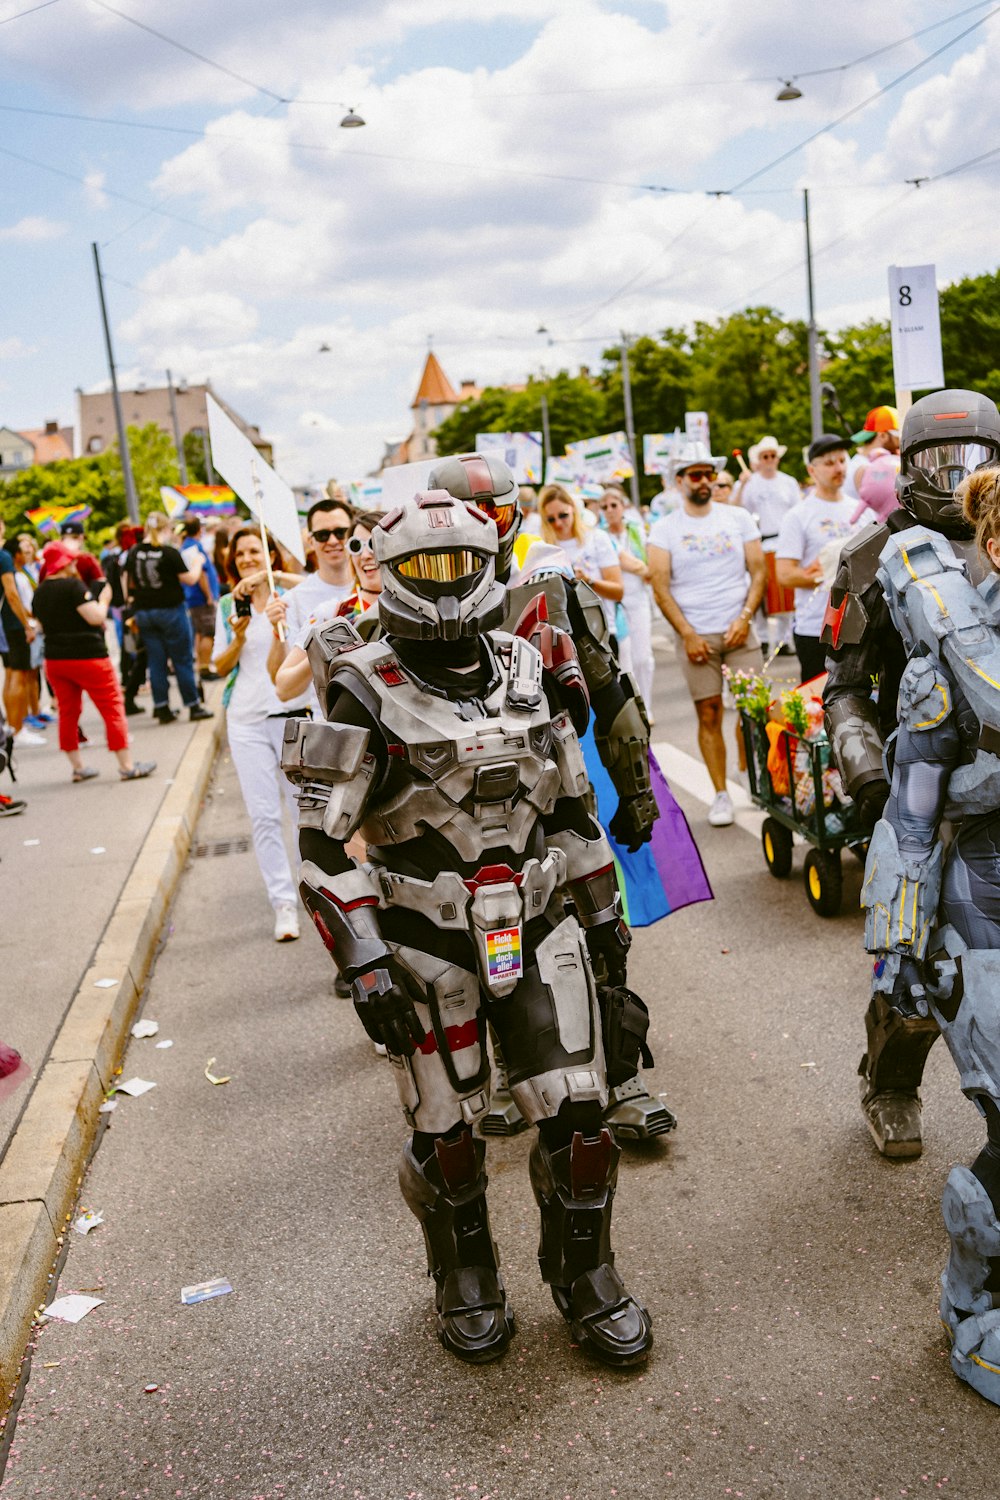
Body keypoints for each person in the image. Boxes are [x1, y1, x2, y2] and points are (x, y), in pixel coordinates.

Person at [283, 492, 654, 1368]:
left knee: (581, 1118)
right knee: (445, 1135)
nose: (447, 586)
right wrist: (364, 958)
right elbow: (320, 845)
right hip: (424, 943)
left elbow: (570, 811)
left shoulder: (527, 663)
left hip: (538, 923)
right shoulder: (360, 679)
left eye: (462, 564)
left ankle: (586, 1274)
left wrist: (609, 935)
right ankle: (465, 1273)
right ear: (394, 572)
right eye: (427, 567)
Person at [822, 389, 1000, 1162]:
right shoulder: (871, 554)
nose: (955, 474)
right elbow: (844, 686)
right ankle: (890, 1083)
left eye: (973, 459)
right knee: (916, 970)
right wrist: (864, 772)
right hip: (920, 771)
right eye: (938, 460)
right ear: (908, 465)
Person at [857, 461, 1000, 1407]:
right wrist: (902, 946)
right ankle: (974, 1304)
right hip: (986, 903)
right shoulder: (951, 652)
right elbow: (911, 814)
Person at [648, 441, 766, 828]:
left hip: (739, 629)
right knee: (709, 711)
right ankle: (720, 793)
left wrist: (746, 617)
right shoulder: (665, 529)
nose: (704, 481)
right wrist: (687, 634)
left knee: (753, 709)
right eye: (695, 475)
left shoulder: (738, 518)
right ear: (679, 481)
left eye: (709, 474)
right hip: (696, 634)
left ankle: (753, 776)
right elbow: (660, 585)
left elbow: (759, 571)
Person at [213, 527, 312, 943]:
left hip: (290, 713)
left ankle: (312, 893)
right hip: (247, 719)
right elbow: (218, 666)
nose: (247, 560)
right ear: (231, 561)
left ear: (269, 554)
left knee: (302, 813)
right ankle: (283, 903)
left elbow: (317, 585)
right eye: (241, 556)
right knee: (264, 816)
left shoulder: (290, 596)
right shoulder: (227, 605)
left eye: (255, 552)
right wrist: (237, 638)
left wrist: (276, 579)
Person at [31, 541, 155, 783]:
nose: (75, 564)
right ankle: (127, 765)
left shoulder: (40, 591)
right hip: (88, 656)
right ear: (64, 563)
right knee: (112, 708)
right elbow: (95, 617)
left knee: (68, 712)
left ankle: (77, 767)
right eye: (72, 560)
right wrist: (105, 599)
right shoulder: (73, 587)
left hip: (56, 660)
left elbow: (42, 625)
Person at [775, 434, 857, 683]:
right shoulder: (798, 515)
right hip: (816, 628)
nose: (839, 468)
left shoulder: (861, 509)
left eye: (843, 460)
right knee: (818, 710)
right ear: (812, 469)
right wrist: (825, 575)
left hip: (858, 627)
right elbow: (784, 574)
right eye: (830, 463)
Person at [126, 513, 214, 725]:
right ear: (166, 529)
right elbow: (190, 579)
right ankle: (192, 705)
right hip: (170, 610)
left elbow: (129, 584)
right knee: (181, 659)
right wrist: (198, 562)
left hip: (145, 612)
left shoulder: (134, 552)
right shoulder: (168, 552)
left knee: (156, 661)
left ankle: (161, 706)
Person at [265, 498, 355, 683]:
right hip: (324, 708)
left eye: (340, 532)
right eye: (323, 535)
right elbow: (279, 680)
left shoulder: (374, 588)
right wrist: (277, 632)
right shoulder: (293, 600)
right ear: (310, 540)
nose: (332, 541)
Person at [734, 436, 800, 655]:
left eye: (773, 455)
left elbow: (797, 512)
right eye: (765, 456)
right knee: (761, 593)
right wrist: (742, 483)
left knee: (785, 594)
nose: (770, 460)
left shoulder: (788, 481)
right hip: (760, 542)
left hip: (784, 541)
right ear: (759, 459)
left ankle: (783, 641)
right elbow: (736, 508)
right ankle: (762, 638)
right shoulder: (750, 482)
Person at [538, 485, 623, 633]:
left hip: (599, 631)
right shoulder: (541, 547)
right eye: (551, 519)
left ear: (573, 509)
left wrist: (587, 581)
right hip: (561, 634)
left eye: (563, 515)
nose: (558, 523)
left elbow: (618, 591)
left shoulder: (597, 538)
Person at [599, 487, 654, 712]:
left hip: (638, 596)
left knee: (643, 657)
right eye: (605, 507)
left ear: (623, 507)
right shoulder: (600, 536)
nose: (610, 511)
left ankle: (647, 705)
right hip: (612, 601)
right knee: (623, 657)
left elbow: (646, 563)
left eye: (614, 505)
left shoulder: (637, 531)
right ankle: (634, 707)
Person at [0, 517, 42, 747]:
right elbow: (12, 594)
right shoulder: (3, 558)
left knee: (9, 674)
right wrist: (26, 624)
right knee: (18, 673)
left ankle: (10, 726)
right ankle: (17, 729)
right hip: (12, 624)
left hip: (4, 624)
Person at [180, 515, 222, 680]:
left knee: (201, 631)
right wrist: (209, 596)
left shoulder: (186, 546)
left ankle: (202, 666)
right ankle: (205, 668)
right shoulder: (194, 548)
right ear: (199, 529)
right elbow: (202, 574)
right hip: (201, 598)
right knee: (208, 632)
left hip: (193, 597)